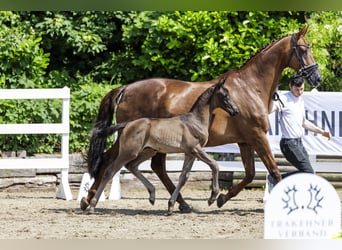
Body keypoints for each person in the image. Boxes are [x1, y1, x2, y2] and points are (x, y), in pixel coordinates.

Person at [267, 75, 332, 191]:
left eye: (302, 89)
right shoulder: (282, 99)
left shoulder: (300, 100)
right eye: (297, 89)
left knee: (306, 173)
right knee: (309, 172)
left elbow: (304, 122)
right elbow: (269, 110)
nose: (300, 92)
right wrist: (272, 97)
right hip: (289, 143)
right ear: (290, 86)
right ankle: (276, 179)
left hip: (299, 143)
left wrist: (322, 132)